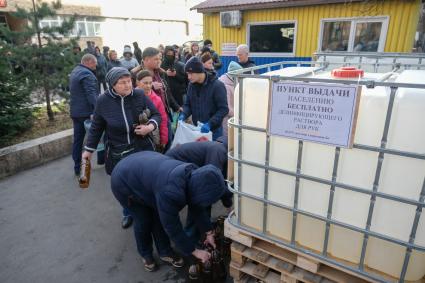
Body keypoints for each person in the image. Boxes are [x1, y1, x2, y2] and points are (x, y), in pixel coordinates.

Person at [110, 151, 226, 266]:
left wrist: (209, 232)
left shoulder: (195, 176)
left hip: (145, 171)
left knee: (158, 216)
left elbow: (196, 206)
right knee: (143, 220)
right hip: (124, 182)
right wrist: (194, 251)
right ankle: (145, 254)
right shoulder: (170, 191)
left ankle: (164, 251)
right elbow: (172, 226)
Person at [82, 67, 161, 230]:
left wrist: (150, 127)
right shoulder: (103, 101)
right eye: (122, 83)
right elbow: (96, 127)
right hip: (118, 150)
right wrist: (88, 150)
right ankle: (127, 212)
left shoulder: (139, 94)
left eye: (129, 81)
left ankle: (152, 208)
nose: (127, 85)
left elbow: (156, 114)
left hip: (141, 146)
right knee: (124, 185)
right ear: (112, 85)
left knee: (145, 180)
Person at [166, 137, 233, 242]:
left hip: (184, 167)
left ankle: (203, 230)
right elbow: (211, 184)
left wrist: (228, 203)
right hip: (172, 166)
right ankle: (191, 238)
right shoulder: (219, 151)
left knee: (203, 198)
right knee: (199, 200)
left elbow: (221, 183)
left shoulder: (221, 151)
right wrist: (228, 204)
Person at [179, 56, 228, 141]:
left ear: (199, 71)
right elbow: (188, 104)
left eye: (191, 73)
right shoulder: (191, 85)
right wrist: (184, 114)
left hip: (214, 131)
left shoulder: (217, 85)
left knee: (213, 154)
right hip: (197, 130)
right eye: (187, 74)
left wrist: (210, 123)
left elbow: (223, 109)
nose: (188, 77)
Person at [142, 47, 182, 149]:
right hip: (149, 117)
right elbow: (133, 93)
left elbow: (167, 93)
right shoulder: (137, 75)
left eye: (159, 59)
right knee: (155, 144)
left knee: (168, 141)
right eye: (156, 59)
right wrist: (149, 86)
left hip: (165, 114)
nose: (159, 61)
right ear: (146, 60)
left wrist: (177, 107)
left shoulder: (160, 73)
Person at [69, 54, 98, 177]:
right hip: (86, 113)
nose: (96, 66)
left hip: (75, 112)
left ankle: (77, 168)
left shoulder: (76, 71)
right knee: (93, 140)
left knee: (78, 140)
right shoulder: (87, 74)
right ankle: (103, 161)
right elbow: (91, 94)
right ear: (88, 62)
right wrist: (97, 110)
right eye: (94, 63)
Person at [136, 70, 168, 151]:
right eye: (145, 83)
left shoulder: (157, 99)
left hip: (153, 137)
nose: (148, 86)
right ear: (137, 82)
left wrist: (164, 139)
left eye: (150, 83)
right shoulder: (131, 97)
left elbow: (163, 120)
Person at [219, 61, 243, 136]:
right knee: (228, 140)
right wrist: (239, 115)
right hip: (226, 121)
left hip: (231, 118)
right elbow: (227, 108)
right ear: (234, 75)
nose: (240, 79)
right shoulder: (226, 86)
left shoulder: (232, 83)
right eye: (239, 76)